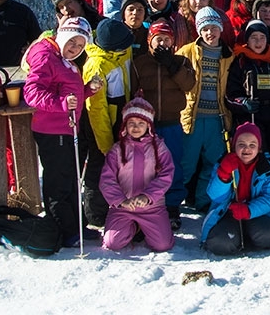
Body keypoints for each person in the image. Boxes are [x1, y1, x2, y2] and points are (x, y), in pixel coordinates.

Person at [22, 17, 98, 247]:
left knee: (71, 178)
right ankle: (63, 230)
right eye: (72, 41)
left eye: (80, 45)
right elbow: (32, 92)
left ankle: (76, 226)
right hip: (53, 130)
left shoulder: (62, 57)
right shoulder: (47, 56)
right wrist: (62, 104)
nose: (75, 48)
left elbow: (67, 92)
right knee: (59, 181)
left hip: (66, 128)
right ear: (62, 35)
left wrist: (87, 90)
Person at [132, 20, 197, 229]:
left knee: (172, 165)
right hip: (147, 126)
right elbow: (132, 89)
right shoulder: (140, 63)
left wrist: (172, 65)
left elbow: (189, 84)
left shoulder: (181, 61)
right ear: (150, 41)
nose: (162, 43)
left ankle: (172, 206)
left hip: (171, 122)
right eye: (158, 39)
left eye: (167, 39)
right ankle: (148, 205)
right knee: (146, 167)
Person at [176, 7, 234, 211]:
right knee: (186, 163)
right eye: (205, 29)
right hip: (192, 117)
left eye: (214, 28)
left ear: (220, 29)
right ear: (199, 31)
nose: (210, 33)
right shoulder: (186, 52)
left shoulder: (228, 55)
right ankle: (172, 203)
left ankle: (204, 201)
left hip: (217, 118)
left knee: (213, 163)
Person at [99, 97, 176, 252]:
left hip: (152, 207)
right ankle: (133, 226)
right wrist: (120, 201)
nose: (136, 127)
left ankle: (146, 227)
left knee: (163, 245)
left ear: (148, 125)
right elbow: (107, 179)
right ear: (125, 125)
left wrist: (148, 196)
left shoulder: (159, 148)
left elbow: (166, 175)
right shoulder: (117, 149)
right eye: (131, 123)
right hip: (123, 207)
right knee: (112, 243)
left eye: (141, 123)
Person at [79, 18, 135, 227]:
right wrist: (105, 143)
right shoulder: (97, 65)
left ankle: (118, 204)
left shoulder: (122, 52)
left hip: (121, 112)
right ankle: (95, 213)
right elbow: (96, 108)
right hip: (102, 121)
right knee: (99, 165)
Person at [201, 122, 270, 255]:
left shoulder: (266, 168)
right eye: (241, 144)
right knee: (221, 243)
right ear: (234, 145)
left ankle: (249, 233)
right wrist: (223, 175)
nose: (247, 149)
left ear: (259, 148)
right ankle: (235, 235)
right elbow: (214, 196)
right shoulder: (224, 163)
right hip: (227, 212)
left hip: (255, 212)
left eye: (252, 145)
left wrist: (249, 210)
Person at [225, 20, 270, 168]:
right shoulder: (240, 61)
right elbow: (230, 94)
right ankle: (255, 180)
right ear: (247, 39)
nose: (258, 42)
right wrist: (243, 103)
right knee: (257, 154)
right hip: (252, 114)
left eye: (262, 37)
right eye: (254, 37)